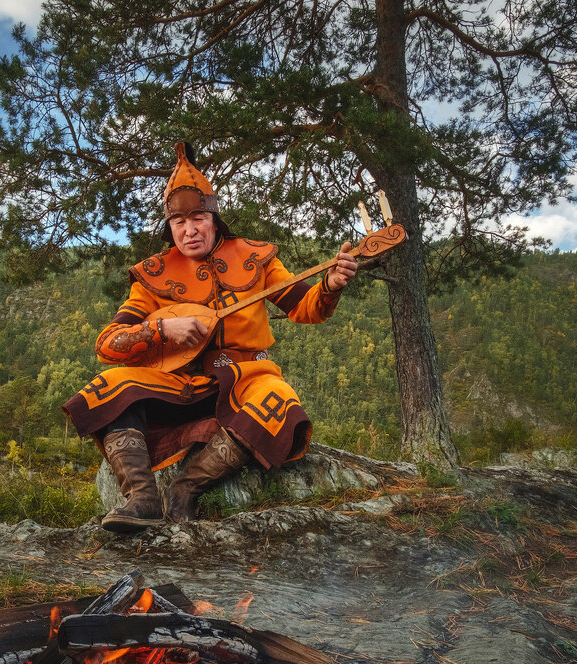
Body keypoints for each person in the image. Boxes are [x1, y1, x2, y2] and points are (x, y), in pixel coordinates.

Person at [63, 143, 358, 532]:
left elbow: (306, 308)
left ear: (214, 219)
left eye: (198, 218)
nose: (189, 230)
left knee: (279, 399)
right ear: (169, 227)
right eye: (178, 222)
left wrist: (330, 285)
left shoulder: (254, 257)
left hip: (248, 377)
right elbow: (108, 343)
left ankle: (184, 491)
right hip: (181, 383)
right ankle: (142, 499)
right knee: (109, 385)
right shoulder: (153, 274)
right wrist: (162, 329)